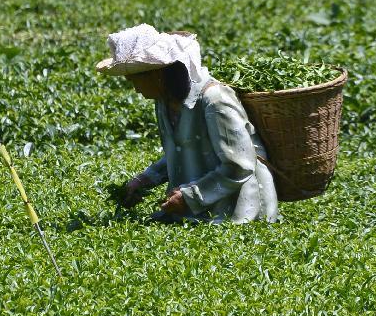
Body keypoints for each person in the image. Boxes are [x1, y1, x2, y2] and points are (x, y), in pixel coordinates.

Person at [96, 24, 278, 224]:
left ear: (156, 75)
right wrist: (145, 180)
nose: (135, 89)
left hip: (240, 215)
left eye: (134, 81)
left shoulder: (215, 100)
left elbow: (239, 165)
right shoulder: (163, 101)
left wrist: (191, 197)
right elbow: (184, 150)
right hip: (193, 213)